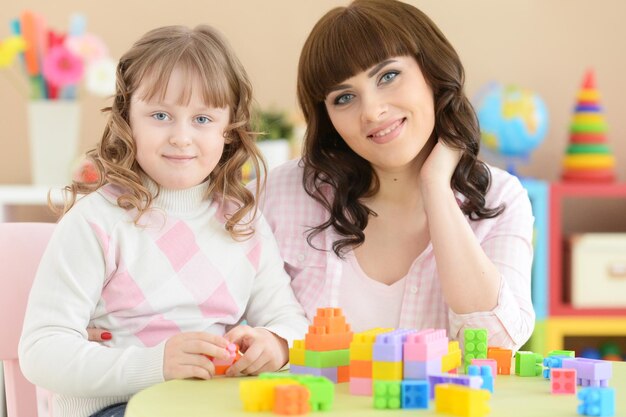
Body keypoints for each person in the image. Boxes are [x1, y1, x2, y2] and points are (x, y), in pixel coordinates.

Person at [19, 25, 308, 417]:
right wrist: (156, 365)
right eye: (160, 115)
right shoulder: (96, 223)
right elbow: (42, 352)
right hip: (120, 407)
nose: (181, 137)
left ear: (229, 129)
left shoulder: (243, 223)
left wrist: (275, 343)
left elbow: (289, 319)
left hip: (215, 406)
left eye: (203, 119)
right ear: (127, 119)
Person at [255, 0, 535, 351]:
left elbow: (497, 345)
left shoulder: (500, 198)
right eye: (344, 98)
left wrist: (435, 186)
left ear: (432, 72)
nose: (372, 111)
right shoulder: (278, 194)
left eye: (388, 76)